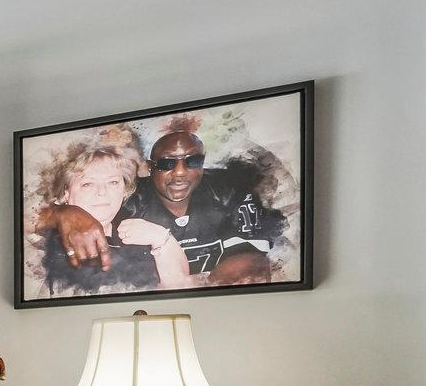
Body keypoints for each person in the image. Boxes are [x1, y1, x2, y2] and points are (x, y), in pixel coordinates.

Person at [38, 117, 288, 286]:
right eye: (167, 163)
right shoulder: (129, 204)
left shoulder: (227, 193)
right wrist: (62, 213)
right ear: (149, 168)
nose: (180, 173)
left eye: (192, 161)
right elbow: (27, 216)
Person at [30, 137, 191, 296]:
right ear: (66, 193)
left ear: (124, 189)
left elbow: (180, 291)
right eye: (87, 184)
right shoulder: (42, 239)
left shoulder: (139, 232)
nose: (102, 192)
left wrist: (161, 238)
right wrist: (59, 213)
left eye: (113, 182)